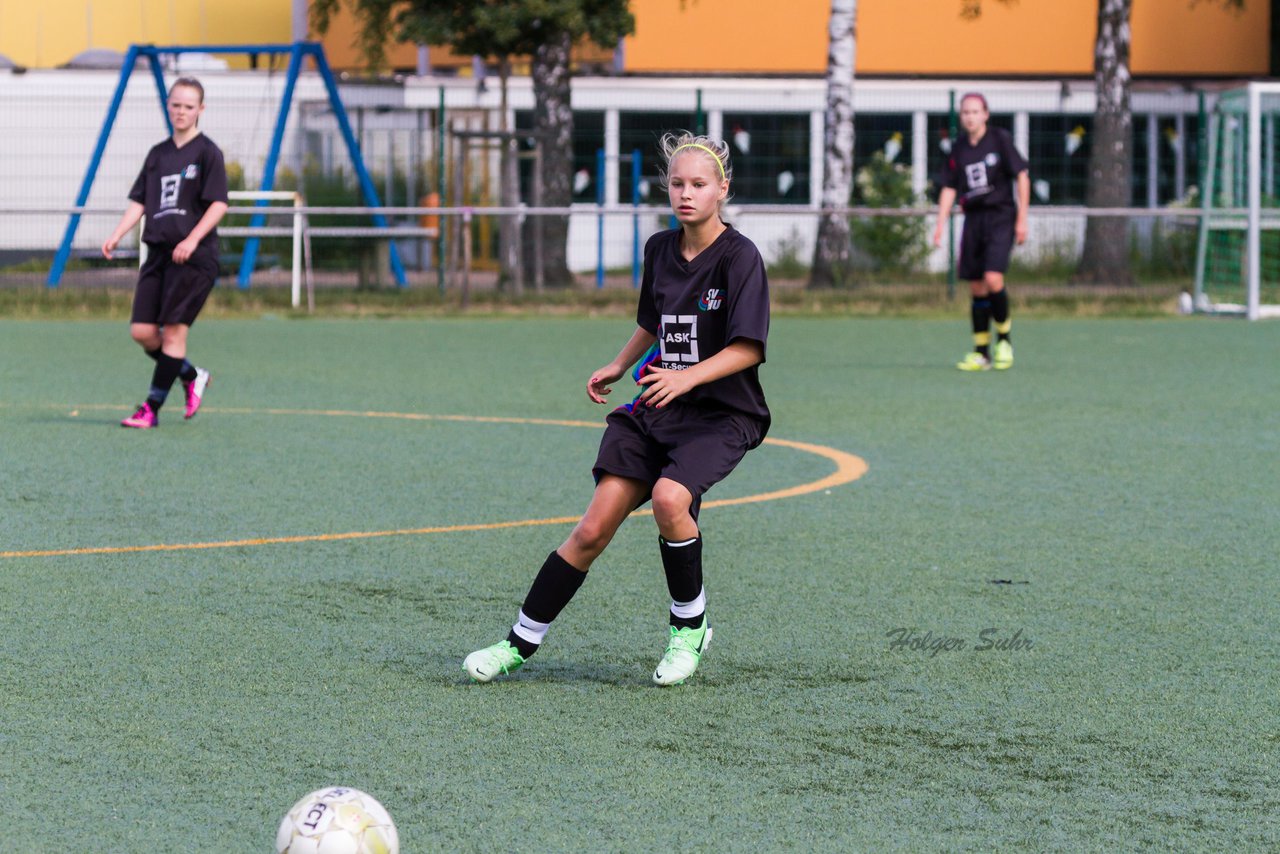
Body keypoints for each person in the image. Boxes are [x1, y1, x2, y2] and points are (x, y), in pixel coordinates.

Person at [464, 132, 771, 686]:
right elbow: (653, 324)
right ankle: (518, 643)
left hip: (722, 414)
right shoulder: (659, 250)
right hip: (655, 408)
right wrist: (619, 364)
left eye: (699, 184)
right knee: (590, 530)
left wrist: (686, 379)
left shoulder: (740, 257)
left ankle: (690, 629)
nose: (686, 193)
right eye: (677, 183)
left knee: (670, 498)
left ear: (721, 190)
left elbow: (747, 347)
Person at [102, 76, 228, 428]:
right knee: (142, 332)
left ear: (200, 110)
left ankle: (151, 409)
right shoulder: (158, 154)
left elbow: (218, 204)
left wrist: (192, 240)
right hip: (157, 253)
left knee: (173, 333)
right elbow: (140, 200)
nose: (181, 112)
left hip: (192, 258)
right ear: (168, 105)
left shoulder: (207, 152)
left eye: (189, 106)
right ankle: (190, 375)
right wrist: (116, 234)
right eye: (176, 105)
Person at [932, 92, 1030, 371]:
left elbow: (1022, 175)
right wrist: (940, 223)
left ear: (985, 114)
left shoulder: (999, 140)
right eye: (965, 112)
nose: (970, 117)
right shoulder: (959, 149)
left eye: (975, 112)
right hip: (973, 219)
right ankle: (981, 352)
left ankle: (1004, 340)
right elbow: (950, 187)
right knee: (976, 286)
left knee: (992, 278)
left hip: (1000, 216)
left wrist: (1022, 218)